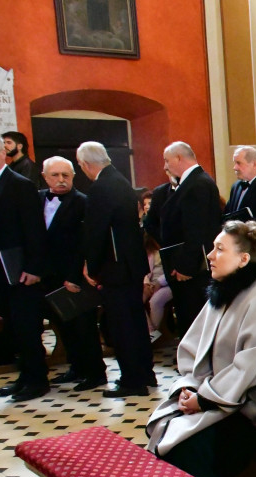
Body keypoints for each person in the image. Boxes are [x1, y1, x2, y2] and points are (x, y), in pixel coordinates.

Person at [146, 222, 256, 477]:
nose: (210, 255)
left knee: (187, 449)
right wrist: (190, 387)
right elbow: (193, 348)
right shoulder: (225, 292)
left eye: (219, 249)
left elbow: (251, 371)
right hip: (224, 400)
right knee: (166, 429)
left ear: (244, 259)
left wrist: (203, 398)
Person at [77, 141, 155, 398]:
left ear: (86, 164)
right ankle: (145, 373)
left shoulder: (101, 187)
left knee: (122, 327)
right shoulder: (120, 180)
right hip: (131, 265)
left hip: (116, 268)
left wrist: (92, 266)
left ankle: (132, 380)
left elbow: (96, 232)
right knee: (135, 323)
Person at [0, 131, 48, 401]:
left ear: (2, 153)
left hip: (22, 269)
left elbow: (34, 230)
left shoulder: (20, 184)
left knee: (28, 326)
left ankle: (37, 379)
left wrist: (34, 267)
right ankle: (25, 376)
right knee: (13, 327)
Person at [40, 156, 106, 389]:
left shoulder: (83, 202)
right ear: (45, 176)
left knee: (84, 327)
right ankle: (76, 367)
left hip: (74, 275)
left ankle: (95, 372)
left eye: (65, 175)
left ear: (73, 177)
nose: (60, 180)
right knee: (64, 326)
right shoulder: (37, 199)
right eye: (55, 175)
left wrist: (73, 276)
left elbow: (84, 243)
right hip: (47, 276)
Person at [156, 141, 222, 334]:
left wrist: (186, 266)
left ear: (179, 158)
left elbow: (196, 230)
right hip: (187, 266)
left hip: (192, 270)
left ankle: (197, 362)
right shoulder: (193, 182)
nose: (165, 166)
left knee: (194, 318)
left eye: (167, 161)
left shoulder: (197, 184)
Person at [143, 232, 172, 342]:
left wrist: (159, 283)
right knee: (137, 299)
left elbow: (170, 271)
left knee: (155, 301)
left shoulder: (162, 253)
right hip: (151, 284)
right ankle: (150, 331)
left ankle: (153, 333)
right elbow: (144, 272)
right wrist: (146, 284)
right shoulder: (146, 255)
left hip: (167, 284)